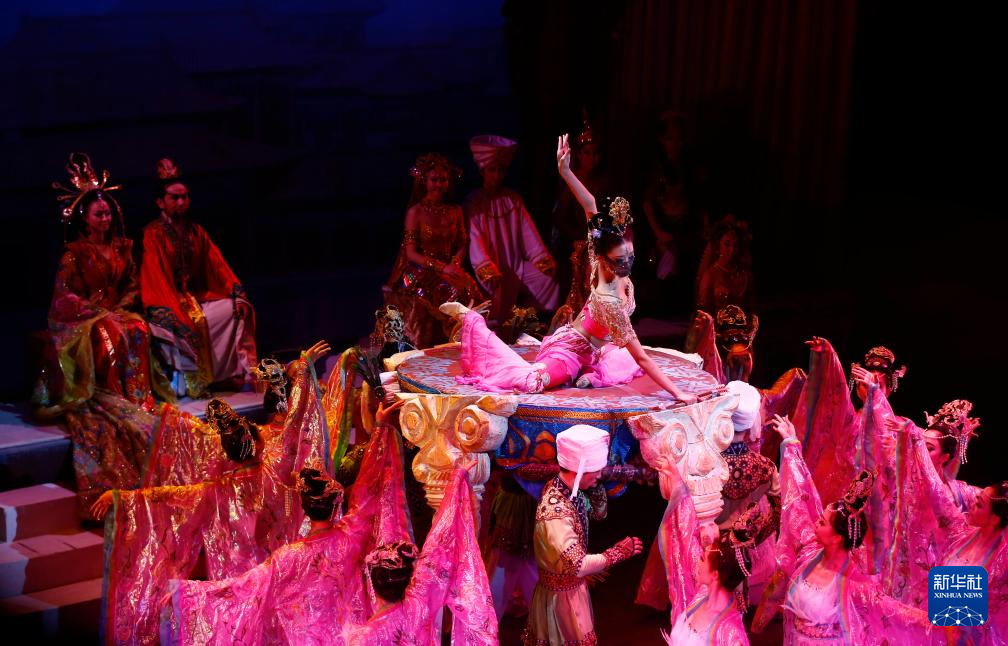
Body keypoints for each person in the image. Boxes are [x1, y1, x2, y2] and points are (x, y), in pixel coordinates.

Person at [94, 343, 331, 645]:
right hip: (274, 580)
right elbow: (297, 430)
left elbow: (166, 498)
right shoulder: (276, 474)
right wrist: (304, 372)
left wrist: (122, 498)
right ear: (259, 443)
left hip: (235, 588)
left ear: (226, 455)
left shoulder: (212, 493)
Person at [440, 134, 697, 402]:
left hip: (597, 350)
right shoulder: (607, 295)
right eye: (621, 260)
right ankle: (474, 324)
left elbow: (590, 204)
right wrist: (678, 393)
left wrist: (566, 172)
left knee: (623, 357)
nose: (627, 264)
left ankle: (592, 372)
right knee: (532, 381)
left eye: (631, 256)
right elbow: (643, 358)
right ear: (604, 258)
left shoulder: (604, 252)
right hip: (571, 349)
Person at [164, 414, 408, 646]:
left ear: (303, 507)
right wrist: (381, 429)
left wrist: (185, 596)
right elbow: (366, 494)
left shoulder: (287, 558)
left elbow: (244, 588)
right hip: (347, 638)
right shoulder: (350, 538)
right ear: (336, 504)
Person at [35, 153, 164, 511]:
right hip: (83, 318)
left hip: (114, 310)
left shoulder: (122, 248)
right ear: (84, 218)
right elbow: (64, 295)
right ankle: (109, 395)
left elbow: (132, 285)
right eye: (98, 215)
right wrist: (96, 312)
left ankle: (137, 397)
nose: (105, 219)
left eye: (107, 214)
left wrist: (120, 306)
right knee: (109, 332)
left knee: (137, 328)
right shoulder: (73, 254)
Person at [753, 414, 932, 645]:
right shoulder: (810, 552)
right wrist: (791, 444)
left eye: (823, 522)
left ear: (837, 538)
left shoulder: (855, 586)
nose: (815, 523)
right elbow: (800, 499)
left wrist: (939, 624)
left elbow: (896, 613)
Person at [141, 158, 257, 398]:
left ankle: (224, 376)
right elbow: (154, 275)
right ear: (160, 202)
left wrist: (234, 290)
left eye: (184, 197)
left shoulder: (195, 231)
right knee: (174, 325)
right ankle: (187, 385)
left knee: (234, 309)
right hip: (168, 299)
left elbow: (217, 264)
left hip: (196, 297)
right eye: (175, 197)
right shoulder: (153, 233)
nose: (181, 202)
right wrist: (169, 309)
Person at [345, 464, 497, 646]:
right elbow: (440, 542)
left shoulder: (365, 637)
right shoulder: (419, 604)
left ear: (372, 582)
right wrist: (456, 480)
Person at [521, 424, 644, 646]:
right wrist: (618, 553)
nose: (600, 474)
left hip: (571, 590)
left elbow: (597, 514)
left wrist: (596, 489)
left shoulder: (567, 490)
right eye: (596, 469)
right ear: (579, 469)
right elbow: (578, 565)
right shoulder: (556, 512)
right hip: (561, 601)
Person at [890, 414, 1007, 644]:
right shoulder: (959, 532)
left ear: (995, 519)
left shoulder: (1000, 561)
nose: (972, 503)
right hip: (937, 624)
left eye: (979, 503)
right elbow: (935, 489)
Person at [384, 153, 483, 348]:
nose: (439, 185)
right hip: (418, 271)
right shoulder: (415, 212)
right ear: (424, 180)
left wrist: (454, 264)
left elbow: (463, 243)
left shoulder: (455, 210)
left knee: (469, 291)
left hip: (449, 269)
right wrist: (442, 268)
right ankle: (426, 350)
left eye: (443, 180)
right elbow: (411, 253)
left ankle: (462, 349)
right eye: (434, 180)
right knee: (446, 291)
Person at [465, 134, 558, 324]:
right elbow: (475, 241)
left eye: (501, 171)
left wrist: (541, 259)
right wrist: (486, 267)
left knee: (547, 279)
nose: (497, 175)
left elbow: (527, 233)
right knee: (497, 298)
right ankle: (500, 328)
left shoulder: (511, 198)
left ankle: (526, 319)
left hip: (516, 266)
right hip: (492, 267)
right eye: (492, 170)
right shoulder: (473, 202)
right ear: (483, 171)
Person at [551, 113, 611, 322]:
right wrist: (581, 239)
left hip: (599, 244)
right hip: (575, 246)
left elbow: (602, 214)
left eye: (596, 153)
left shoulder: (604, 182)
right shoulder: (571, 181)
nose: (592, 158)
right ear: (578, 154)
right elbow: (560, 219)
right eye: (587, 153)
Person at [694, 215, 754, 316]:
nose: (732, 249)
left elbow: (753, 309)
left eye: (736, 245)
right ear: (718, 246)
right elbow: (702, 313)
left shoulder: (745, 274)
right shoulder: (710, 276)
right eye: (727, 244)